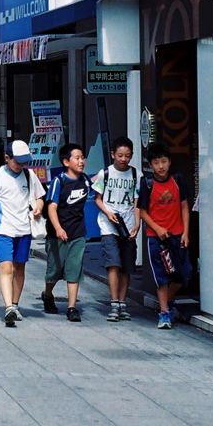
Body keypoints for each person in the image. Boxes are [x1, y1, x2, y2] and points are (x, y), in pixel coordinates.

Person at [0, 140, 45, 327]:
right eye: (18, 161)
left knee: (19, 268)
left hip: (24, 230)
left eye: (24, 161)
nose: (22, 165)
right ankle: (8, 308)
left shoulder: (29, 176)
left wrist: (38, 208)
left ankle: (15, 304)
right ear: (7, 158)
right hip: (3, 229)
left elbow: (39, 197)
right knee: (7, 267)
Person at [137, 142, 192, 330]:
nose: (161, 166)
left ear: (169, 162)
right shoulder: (147, 184)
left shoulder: (178, 180)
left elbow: (184, 206)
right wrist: (157, 228)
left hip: (177, 235)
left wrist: (186, 231)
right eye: (156, 162)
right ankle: (164, 313)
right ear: (150, 165)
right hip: (156, 238)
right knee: (161, 276)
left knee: (185, 272)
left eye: (164, 161)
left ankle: (168, 299)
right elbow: (142, 212)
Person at [92, 136, 142, 322]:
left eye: (127, 156)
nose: (123, 159)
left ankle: (122, 303)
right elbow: (97, 198)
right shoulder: (105, 173)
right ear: (113, 154)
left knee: (127, 267)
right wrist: (107, 213)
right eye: (120, 155)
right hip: (108, 226)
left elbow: (138, 202)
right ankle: (114, 303)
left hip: (128, 226)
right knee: (113, 263)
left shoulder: (137, 175)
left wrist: (137, 223)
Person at [42, 144, 91, 322]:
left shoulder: (85, 180)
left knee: (74, 270)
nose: (81, 161)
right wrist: (58, 229)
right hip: (57, 235)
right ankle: (47, 295)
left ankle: (72, 308)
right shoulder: (59, 181)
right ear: (66, 161)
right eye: (77, 158)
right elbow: (52, 208)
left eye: (82, 157)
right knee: (54, 271)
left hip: (78, 233)